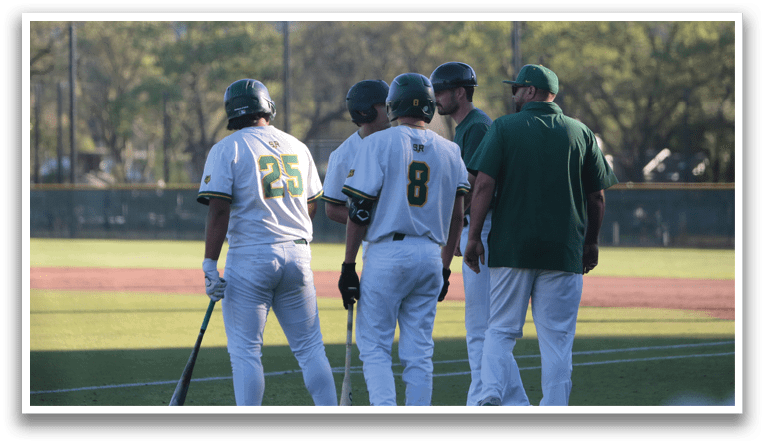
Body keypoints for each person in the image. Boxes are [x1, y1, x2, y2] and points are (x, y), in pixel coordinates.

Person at [464, 64, 618, 406]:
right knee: (557, 340)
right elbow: (597, 196)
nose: (514, 94)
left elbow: (484, 184)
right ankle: (554, 409)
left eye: (517, 88)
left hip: (511, 248)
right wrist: (592, 241)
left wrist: (473, 236)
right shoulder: (581, 132)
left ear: (531, 91)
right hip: (564, 250)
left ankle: (490, 391)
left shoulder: (504, 127)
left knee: (501, 329)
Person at [197, 78, 337, 406]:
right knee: (311, 349)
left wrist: (209, 263)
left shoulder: (227, 148)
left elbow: (218, 211)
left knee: (245, 354)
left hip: (250, 256)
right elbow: (312, 203)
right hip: (297, 253)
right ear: (267, 107)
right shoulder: (297, 146)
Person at [338, 73, 470, 406]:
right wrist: (444, 267)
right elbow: (458, 215)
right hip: (429, 255)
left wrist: (349, 264)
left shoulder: (376, 143)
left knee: (375, 347)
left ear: (394, 104)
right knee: (419, 353)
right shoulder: (451, 150)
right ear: (429, 106)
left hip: (387, 254)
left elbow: (359, 211)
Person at [430, 61, 530, 407]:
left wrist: (459, 227)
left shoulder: (475, 127)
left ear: (460, 92)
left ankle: (482, 398)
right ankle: (512, 402)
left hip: (483, 228)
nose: (436, 98)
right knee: (487, 327)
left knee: (482, 328)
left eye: (441, 91)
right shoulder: (468, 127)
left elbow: (474, 187)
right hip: (479, 227)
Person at [323, 79, 390, 226]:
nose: (390, 109)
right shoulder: (342, 155)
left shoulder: (402, 139)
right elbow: (332, 209)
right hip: (377, 243)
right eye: (384, 105)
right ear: (364, 111)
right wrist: (375, 224)